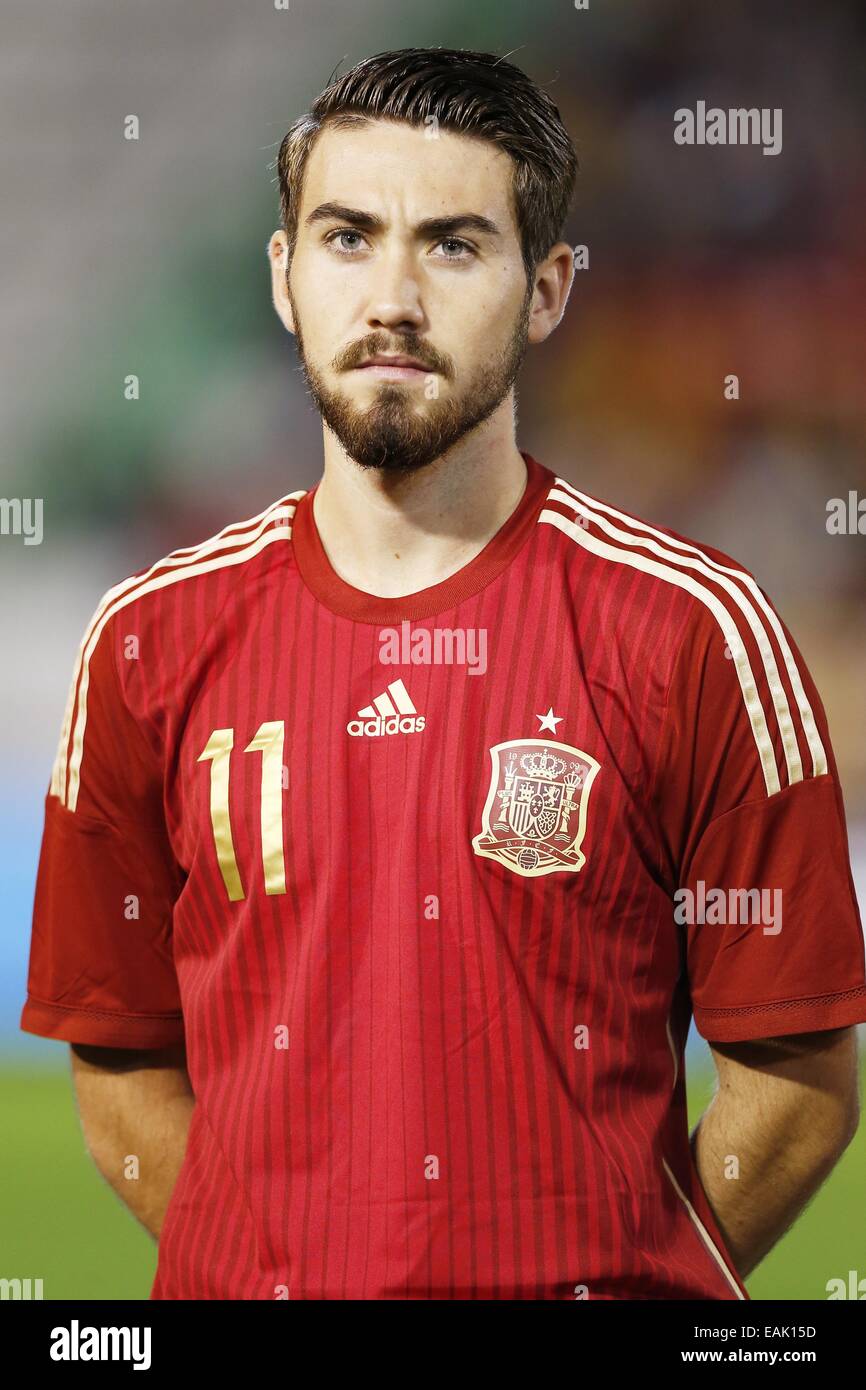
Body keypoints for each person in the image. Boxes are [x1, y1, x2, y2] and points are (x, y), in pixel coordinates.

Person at [21, 46, 865, 1300]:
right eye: (347, 238)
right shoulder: (147, 638)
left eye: (454, 244)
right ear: (281, 275)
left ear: (548, 288)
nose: (392, 297)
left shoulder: (695, 630)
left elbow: (796, 1079)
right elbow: (121, 1059)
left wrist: (620, 1282)